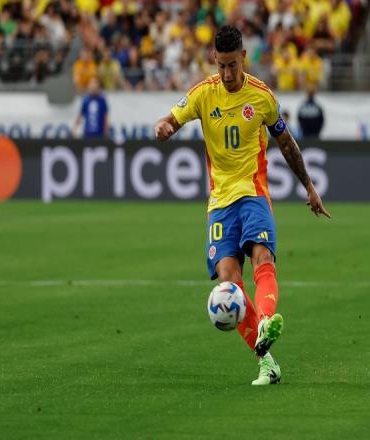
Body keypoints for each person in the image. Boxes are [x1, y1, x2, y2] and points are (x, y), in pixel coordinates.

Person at [154, 25, 330, 386]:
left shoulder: (261, 96)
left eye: (232, 65)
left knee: (262, 257)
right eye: (221, 66)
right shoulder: (204, 93)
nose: (227, 74)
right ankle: (267, 363)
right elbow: (171, 119)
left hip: (253, 193)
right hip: (220, 203)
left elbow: (286, 143)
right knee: (228, 280)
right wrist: (164, 127)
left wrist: (309, 186)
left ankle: (265, 319)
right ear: (214, 59)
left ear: (243, 58)